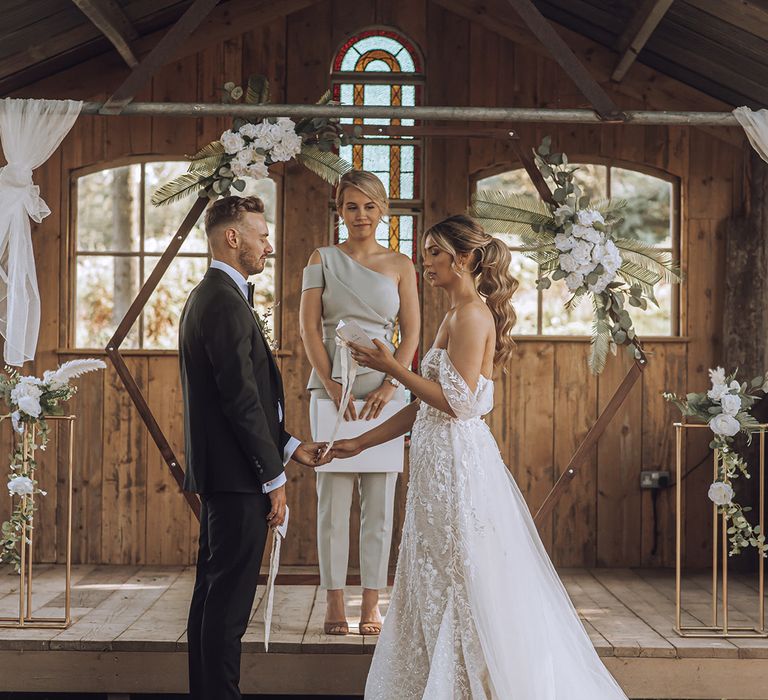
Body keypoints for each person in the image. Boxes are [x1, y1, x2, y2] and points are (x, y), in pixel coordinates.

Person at [332, 215, 628, 699]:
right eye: (423, 252)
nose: (423, 261)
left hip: (456, 464)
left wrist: (392, 367)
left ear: (464, 259)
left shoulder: (471, 316)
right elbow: (426, 404)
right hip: (434, 461)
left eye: (433, 252)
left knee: (459, 574)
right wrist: (361, 442)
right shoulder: (453, 314)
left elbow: (457, 402)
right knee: (431, 571)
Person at [179, 195, 329, 700]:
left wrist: (289, 447)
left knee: (212, 599)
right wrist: (274, 477)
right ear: (232, 237)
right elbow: (239, 400)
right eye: (261, 235)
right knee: (227, 610)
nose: (269, 244)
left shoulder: (217, 295)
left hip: (230, 472)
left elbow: (243, 398)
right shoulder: (222, 300)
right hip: (239, 478)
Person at [299, 170, 419, 636]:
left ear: (382, 210)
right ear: (339, 210)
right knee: (332, 502)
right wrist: (329, 383)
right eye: (352, 206)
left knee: (380, 503)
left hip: (385, 388)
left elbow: (410, 333)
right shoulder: (321, 258)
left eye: (369, 206)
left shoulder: (402, 266)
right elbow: (309, 328)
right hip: (332, 388)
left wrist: (394, 384)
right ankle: (333, 603)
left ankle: (371, 603)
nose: (361, 215)